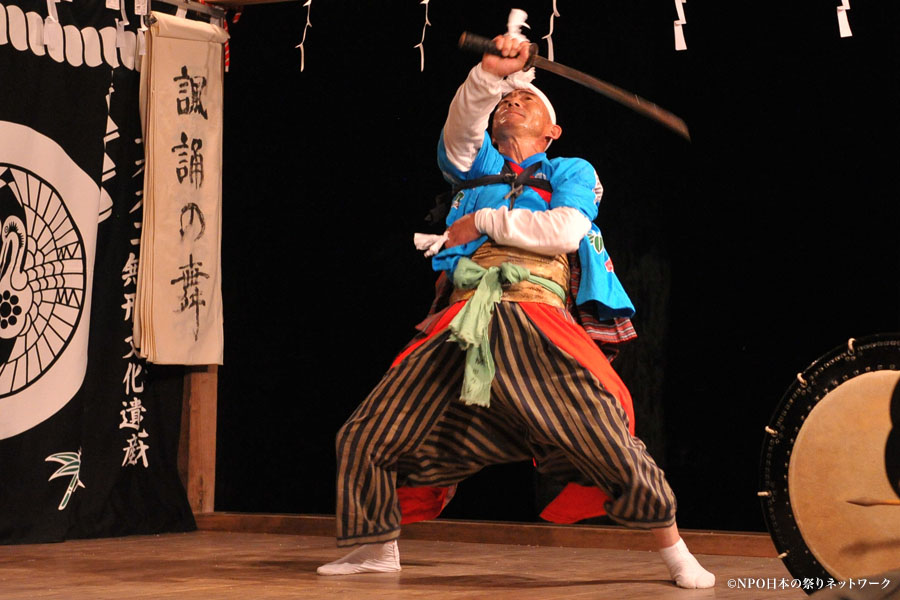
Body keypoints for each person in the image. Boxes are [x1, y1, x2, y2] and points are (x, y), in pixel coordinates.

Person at [317, 32, 715, 590]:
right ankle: (378, 549)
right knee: (367, 432)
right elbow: (462, 126)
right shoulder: (473, 166)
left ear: (553, 131)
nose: (513, 102)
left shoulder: (569, 170)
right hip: (461, 319)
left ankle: (675, 553)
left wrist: (480, 223)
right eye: (506, 99)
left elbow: (565, 231)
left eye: (526, 100)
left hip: (534, 312)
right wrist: (489, 74)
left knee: (603, 434)